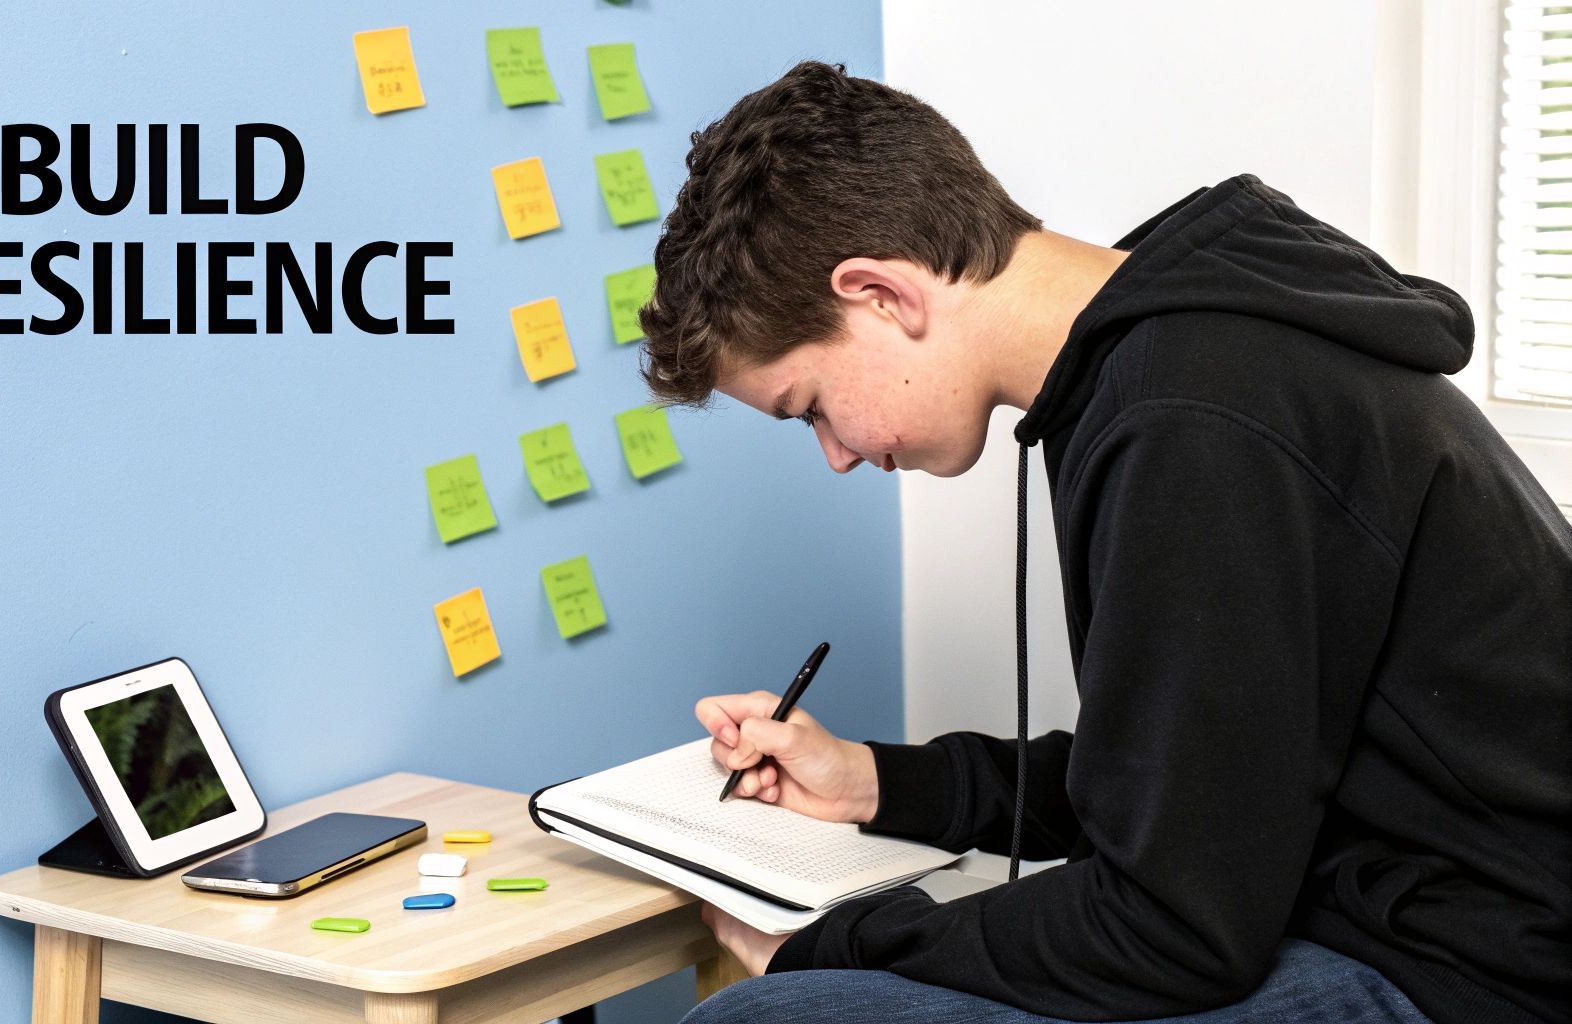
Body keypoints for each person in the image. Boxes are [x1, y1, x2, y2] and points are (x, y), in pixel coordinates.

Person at [637, 62, 1571, 1024]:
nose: (835, 455)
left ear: (881, 294)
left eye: (810, 408)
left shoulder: (1196, 415)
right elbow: (1181, 782)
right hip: (1384, 902)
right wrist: (875, 782)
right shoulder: (1175, 354)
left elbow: (1169, 924)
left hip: (1488, 971)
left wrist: (826, 943)